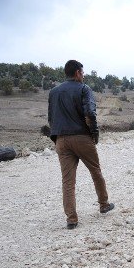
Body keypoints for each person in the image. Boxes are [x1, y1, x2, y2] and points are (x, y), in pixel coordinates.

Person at [48, 59, 114, 230]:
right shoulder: (84, 89)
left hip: (61, 140)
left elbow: (51, 118)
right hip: (81, 137)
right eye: (83, 73)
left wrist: (56, 138)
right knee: (95, 171)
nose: (83, 76)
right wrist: (95, 134)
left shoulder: (53, 92)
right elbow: (90, 113)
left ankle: (71, 218)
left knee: (67, 181)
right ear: (77, 72)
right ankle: (104, 204)